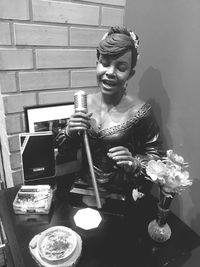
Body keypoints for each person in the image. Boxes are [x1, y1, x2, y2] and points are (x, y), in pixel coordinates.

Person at [56, 26, 163, 202]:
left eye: (121, 67)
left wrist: (134, 163)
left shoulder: (141, 112)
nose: (110, 72)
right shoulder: (84, 104)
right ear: (97, 63)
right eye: (105, 63)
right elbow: (64, 151)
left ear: (130, 73)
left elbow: (157, 157)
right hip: (83, 190)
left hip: (119, 195)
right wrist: (69, 132)